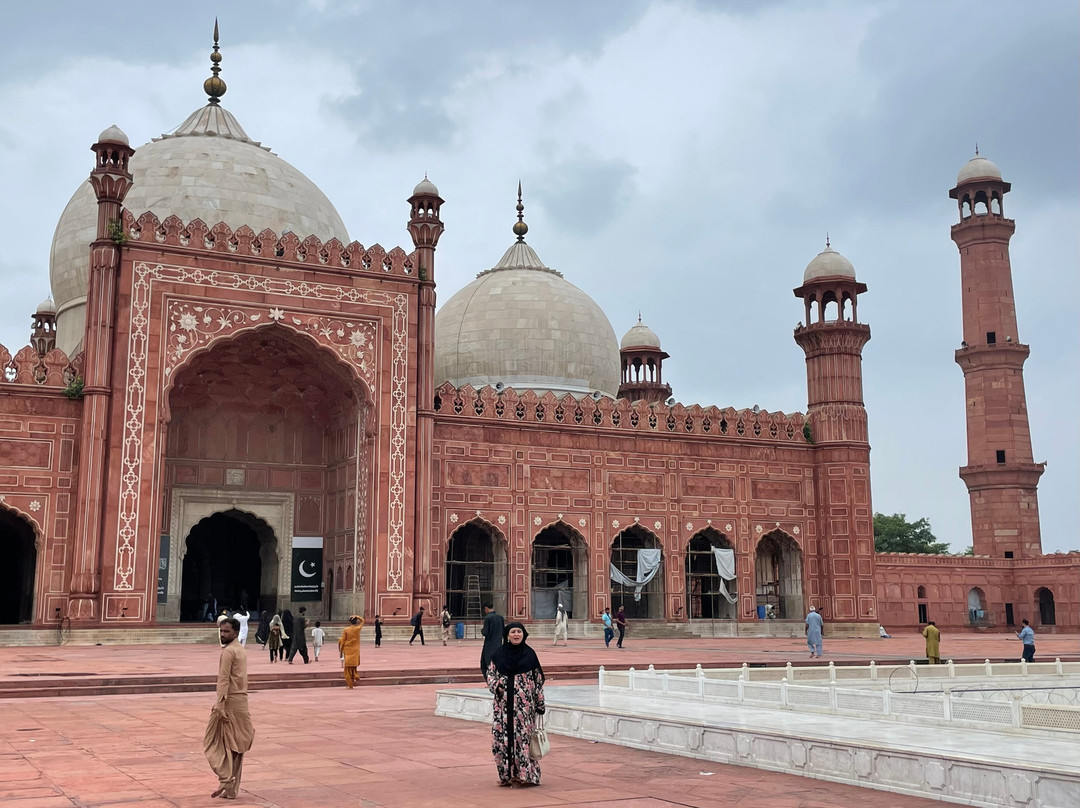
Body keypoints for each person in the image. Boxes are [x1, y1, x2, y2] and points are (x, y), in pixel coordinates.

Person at [485, 622, 545, 787]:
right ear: (507, 635)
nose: (516, 634)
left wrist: (540, 703)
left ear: (524, 634)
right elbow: (490, 674)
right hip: (502, 708)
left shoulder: (530, 654)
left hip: (523, 708)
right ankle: (507, 775)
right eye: (513, 632)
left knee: (523, 740)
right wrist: (497, 687)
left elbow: (538, 681)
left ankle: (526, 775)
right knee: (501, 740)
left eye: (519, 631)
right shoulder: (499, 654)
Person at [204, 617, 254, 799]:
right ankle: (231, 789)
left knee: (212, 742)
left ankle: (226, 779)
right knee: (236, 747)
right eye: (221, 631)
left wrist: (220, 705)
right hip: (242, 701)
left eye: (226, 631)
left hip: (230, 701)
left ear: (235, 632)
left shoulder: (228, 652)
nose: (222, 634)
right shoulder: (240, 649)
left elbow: (223, 680)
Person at [338, 615, 364, 688]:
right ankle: (353, 679)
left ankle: (350, 684)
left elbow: (343, 640)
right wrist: (357, 616)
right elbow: (362, 621)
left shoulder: (346, 630)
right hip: (355, 649)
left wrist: (341, 651)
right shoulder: (358, 628)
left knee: (347, 668)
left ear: (350, 622)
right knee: (353, 667)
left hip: (348, 649)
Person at [481, 603, 505, 676]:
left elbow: (485, 632)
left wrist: (481, 630)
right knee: (497, 663)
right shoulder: (500, 617)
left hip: (489, 645)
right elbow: (504, 631)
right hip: (499, 644)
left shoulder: (488, 618)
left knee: (486, 664)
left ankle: (491, 680)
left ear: (486, 608)